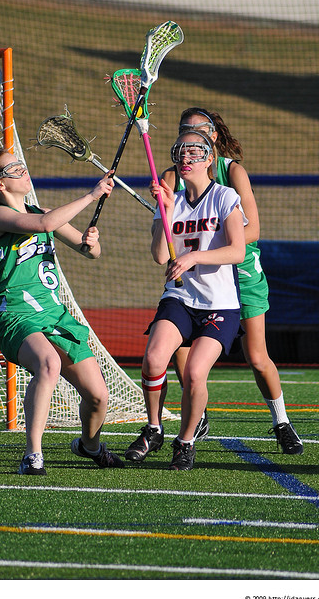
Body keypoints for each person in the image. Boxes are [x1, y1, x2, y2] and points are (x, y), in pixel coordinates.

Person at [0, 149, 124, 475]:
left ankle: (88, 446)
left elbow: (88, 251)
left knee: (98, 397)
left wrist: (91, 241)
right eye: (14, 168)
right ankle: (32, 455)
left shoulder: (44, 211)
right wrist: (92, 194)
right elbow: (45, 224)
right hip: (18, 318)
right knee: (48, 365)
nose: (24, 170)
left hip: (56, 316)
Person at [161, 107, 303, 455]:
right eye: (185, 131)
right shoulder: (172, 174)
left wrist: (215, 232)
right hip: (197, 281)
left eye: (200, 131)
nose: (192, 139)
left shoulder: (232, 171)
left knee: (257, 357)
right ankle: (198, 411)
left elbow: (253, 229)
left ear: (213, 136)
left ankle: (281, 422)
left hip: (240, 275)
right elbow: (166, 224)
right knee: (178, 349)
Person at [125, 130, 247, 470]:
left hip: (219, 304)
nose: (187, 158)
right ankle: (153, 429)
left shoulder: (225, 197)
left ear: (210, 160)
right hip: (179, 298)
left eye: (196, 152)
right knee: (153, 360)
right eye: (182, 152)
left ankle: (186, 440)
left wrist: (194, 258)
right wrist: (165, 211)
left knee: (194, 374)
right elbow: (160, 256)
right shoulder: (171, 201)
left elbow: (238, 250)